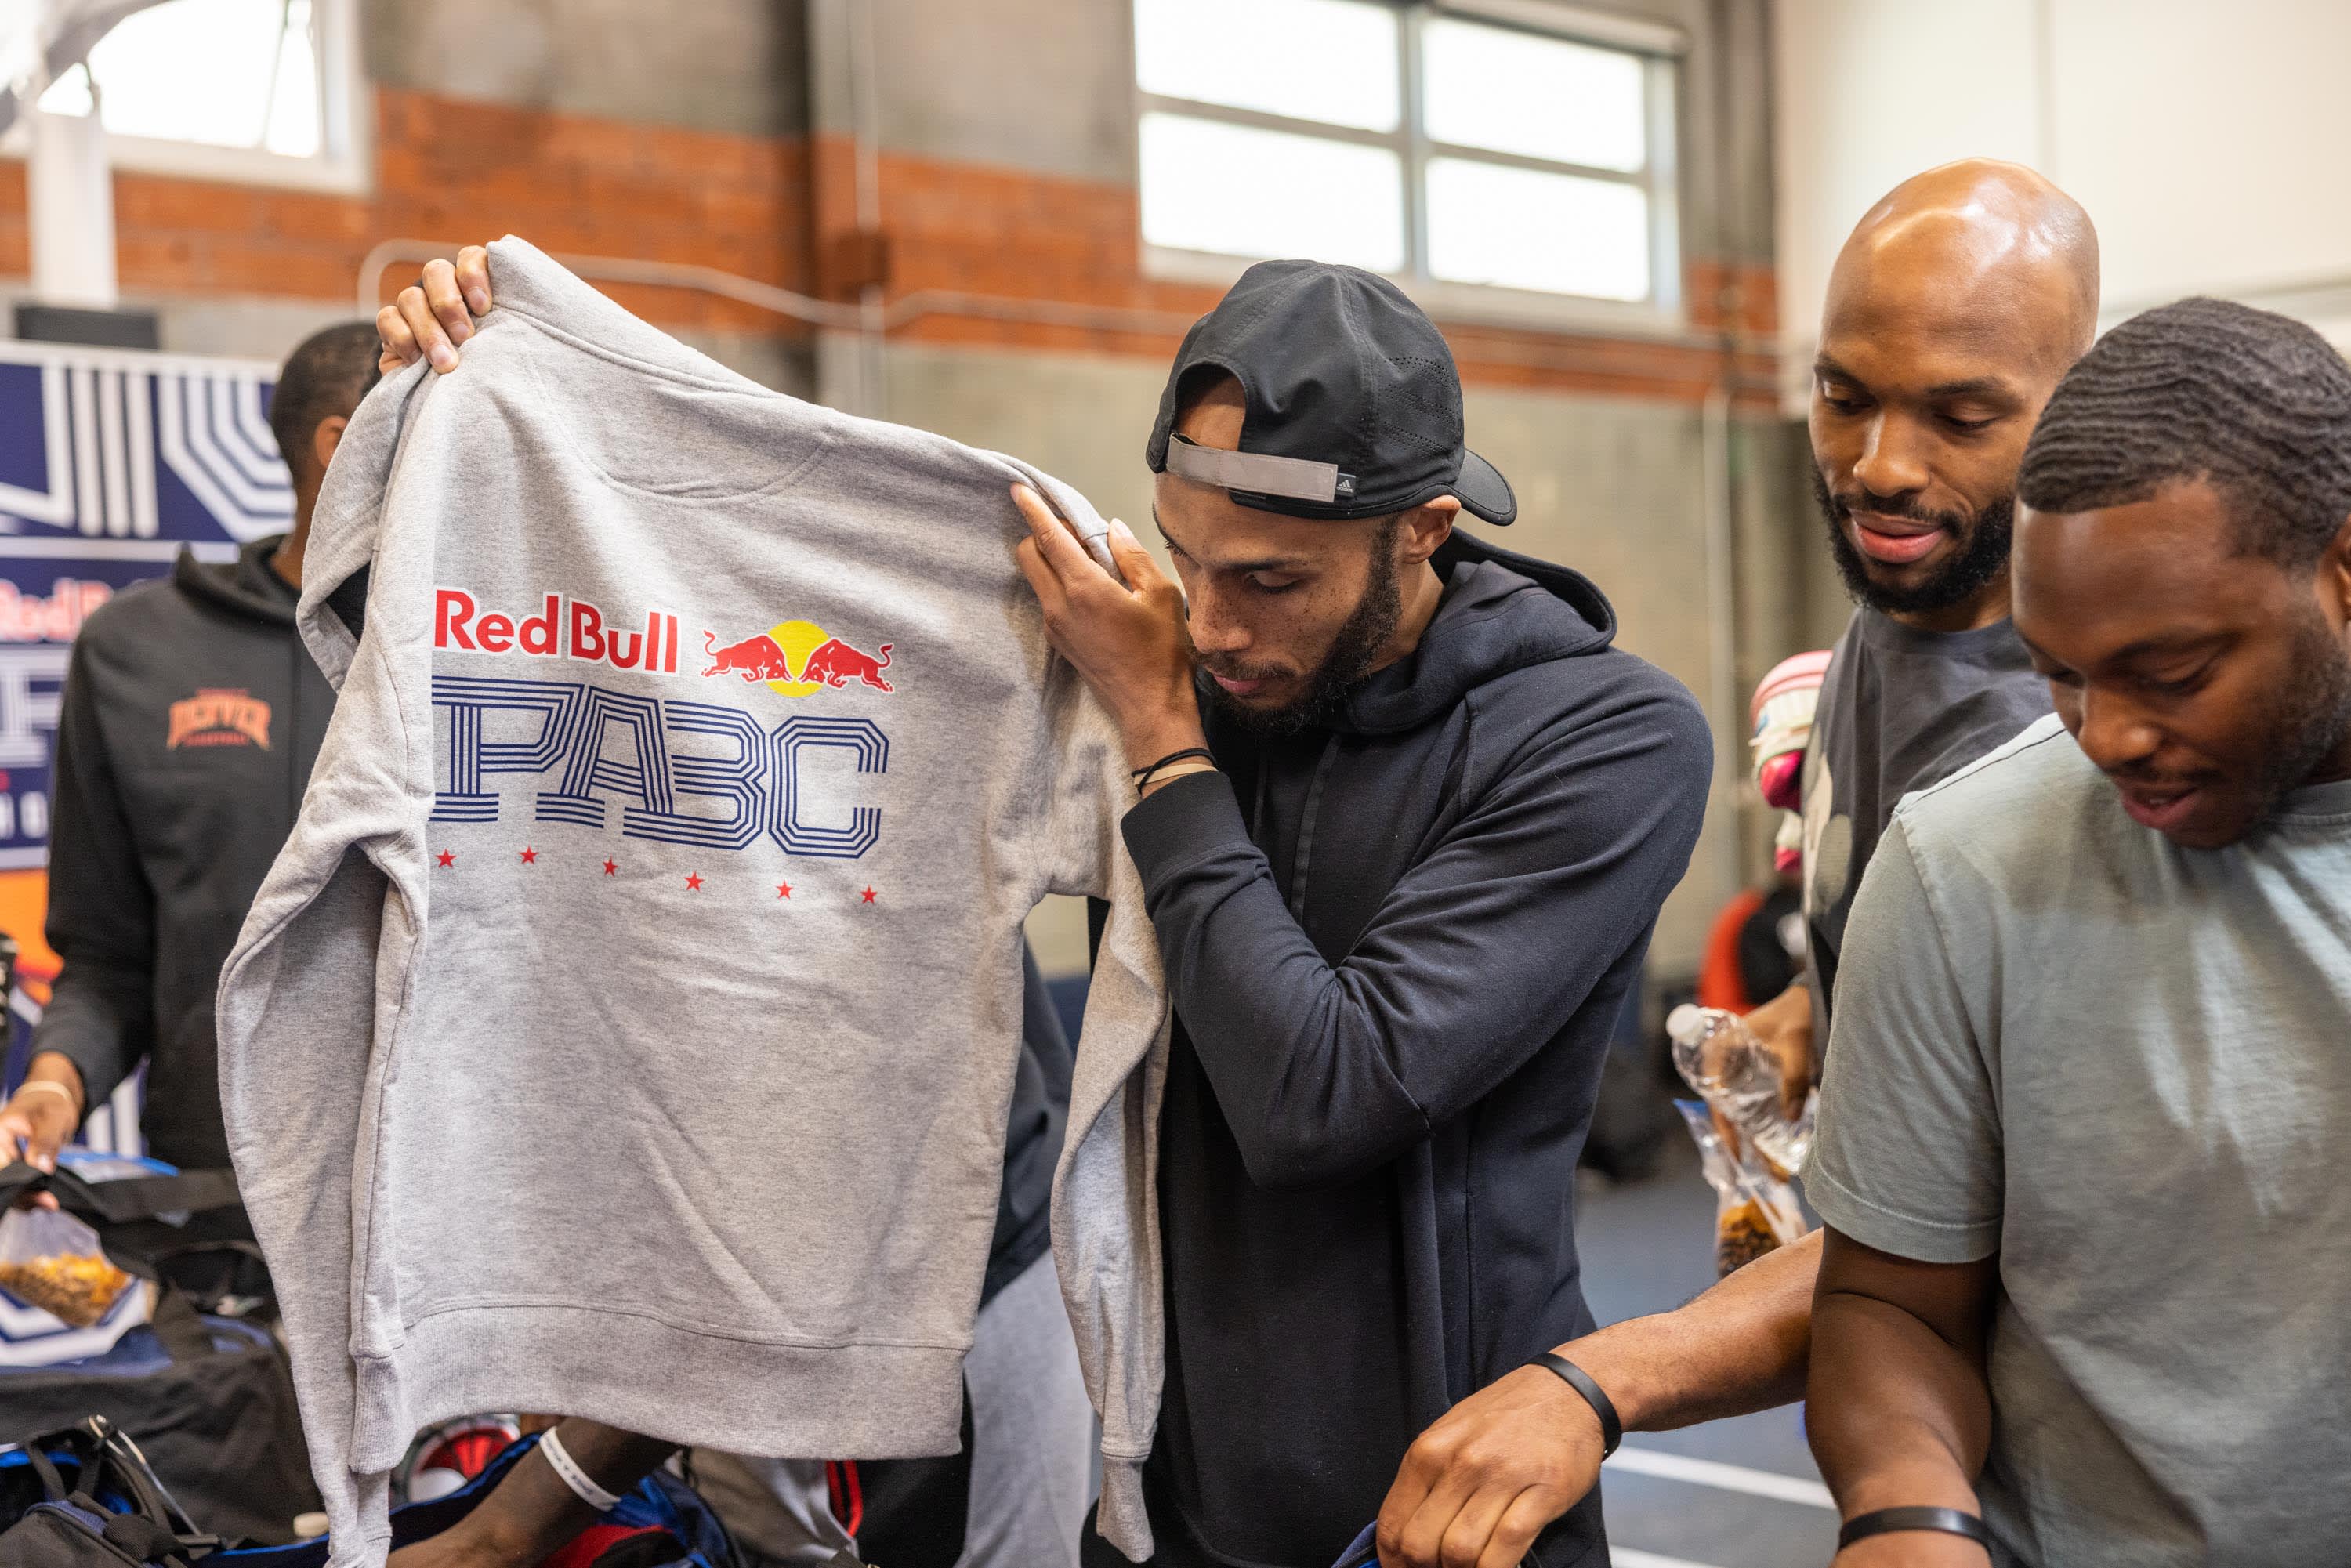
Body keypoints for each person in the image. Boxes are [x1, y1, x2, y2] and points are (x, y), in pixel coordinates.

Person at [380, 247, 1719, 1567]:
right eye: (1187, 559)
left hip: (1456, 1519)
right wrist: (507, 386)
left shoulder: (1604, 739)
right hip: (1165, 1517)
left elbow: (1324, 1094)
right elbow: (735, 551)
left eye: (1271, 581)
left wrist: (1162, 735)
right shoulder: (1176, 671)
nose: (1212, 625)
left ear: (1421, 529)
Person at [1367, 161, 2101, 1567]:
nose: (1880, 463)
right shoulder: (1899, 618)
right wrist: (1823, 1008)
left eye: (1960, 415)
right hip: (1931, 1444)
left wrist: (1602, 1379)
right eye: (1844, 394)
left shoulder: (2077, 752)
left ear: (2077, 408)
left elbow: (1963, 1222)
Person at [1806, 297, 2351, 1566]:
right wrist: (1907, 1512)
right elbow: (1891, 1304)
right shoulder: (1962, 867)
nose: (2106, 736)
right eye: (2060, 671)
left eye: (2171, 674)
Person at [0, 322, 380, 1177]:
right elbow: (107, 956)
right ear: (343, 445)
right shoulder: (137, 650)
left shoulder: (492, 655)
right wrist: (55, 1082)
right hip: (214, 1205)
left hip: (458, 1212)